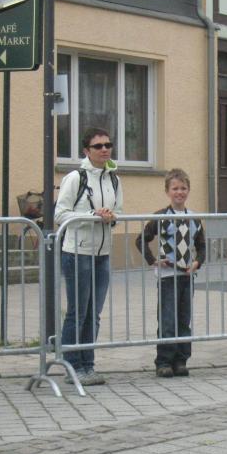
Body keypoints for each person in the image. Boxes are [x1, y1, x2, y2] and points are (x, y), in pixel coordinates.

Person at [54, 127, 124, 386]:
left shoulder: (114, 179)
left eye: (108, 144)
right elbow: (60, 214)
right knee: (77, 313)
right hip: (77, 252)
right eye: (98, 146)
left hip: (102, 254)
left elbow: (119, 212)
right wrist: (93, 216)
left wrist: (111, 217)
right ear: (86, 151)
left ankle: (88, 365)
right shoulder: (75, 177)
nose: (104, 149)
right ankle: (73, 366)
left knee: (94, 313)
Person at [136, 169, 206, 377]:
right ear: (167, 191)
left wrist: (197, 262)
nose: (179, 192)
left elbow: (201, 246)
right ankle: (164, 361)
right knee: (168, 319)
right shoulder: (161, 217)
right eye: (175, 188)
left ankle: (181, 359)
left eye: (183, 188)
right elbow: (141, 240)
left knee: (184, 319)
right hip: (168, 277)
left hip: (186, 276)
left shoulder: (194, 219)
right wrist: (153, 260)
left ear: (189, 190)